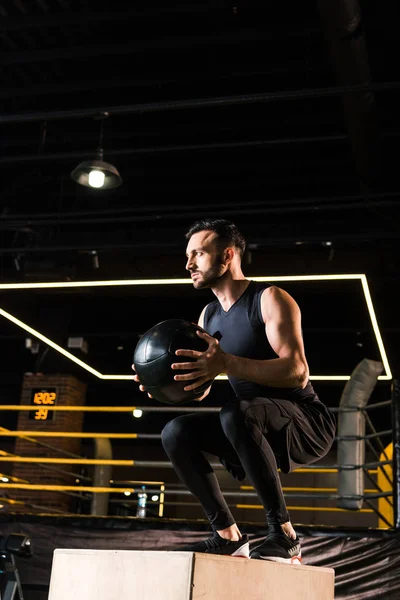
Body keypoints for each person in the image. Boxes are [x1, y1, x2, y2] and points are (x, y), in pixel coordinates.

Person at [132, 218, 336, 563]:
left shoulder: (269, 298)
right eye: (187, 255)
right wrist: (168, 385)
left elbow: (297, 372)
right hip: (250, 423)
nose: (189, 264)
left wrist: (226, 363)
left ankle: (284, 536)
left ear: (227, 256)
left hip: (306, 424)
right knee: (176, 431)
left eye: (198, 253)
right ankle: (229, 536)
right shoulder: (209, 315)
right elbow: (202, 387)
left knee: (236, 411)